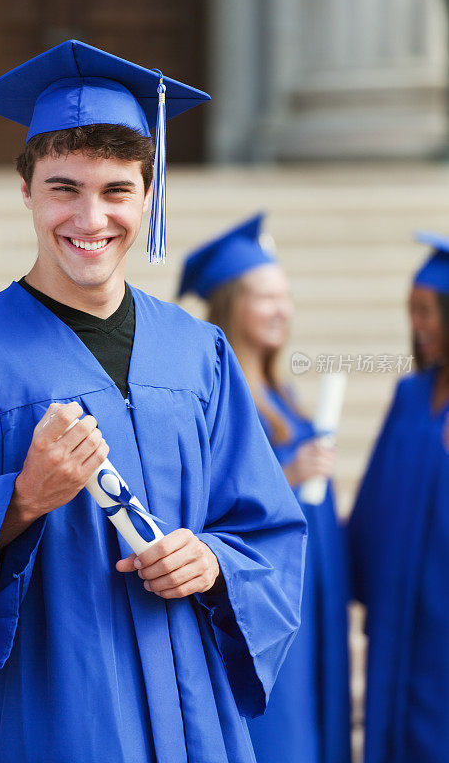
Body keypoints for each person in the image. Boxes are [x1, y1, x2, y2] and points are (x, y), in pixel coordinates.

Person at [0, 41, 307, 763]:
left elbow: (268, 530)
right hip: (42, 718)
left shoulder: (199, 354)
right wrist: (18, 503)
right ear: (27, 191)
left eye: (116, 191)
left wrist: (214, 561)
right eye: (63, 187)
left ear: (148, 194)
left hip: (190, 714)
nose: (90, 218)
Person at [178, 214, 351, 763]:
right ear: (232, 304)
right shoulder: (211, 397)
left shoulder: (283, 395)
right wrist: (290, 473)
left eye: (287, 297)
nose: (283, 310)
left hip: (307, 586)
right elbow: (205, 495)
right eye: (266, 297)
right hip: (259, 596)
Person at [349, 231, 449, 763]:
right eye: (412, 311)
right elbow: (376, 501)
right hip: (399, 609)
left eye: (428, 311)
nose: (418, 325)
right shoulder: (411, 395)